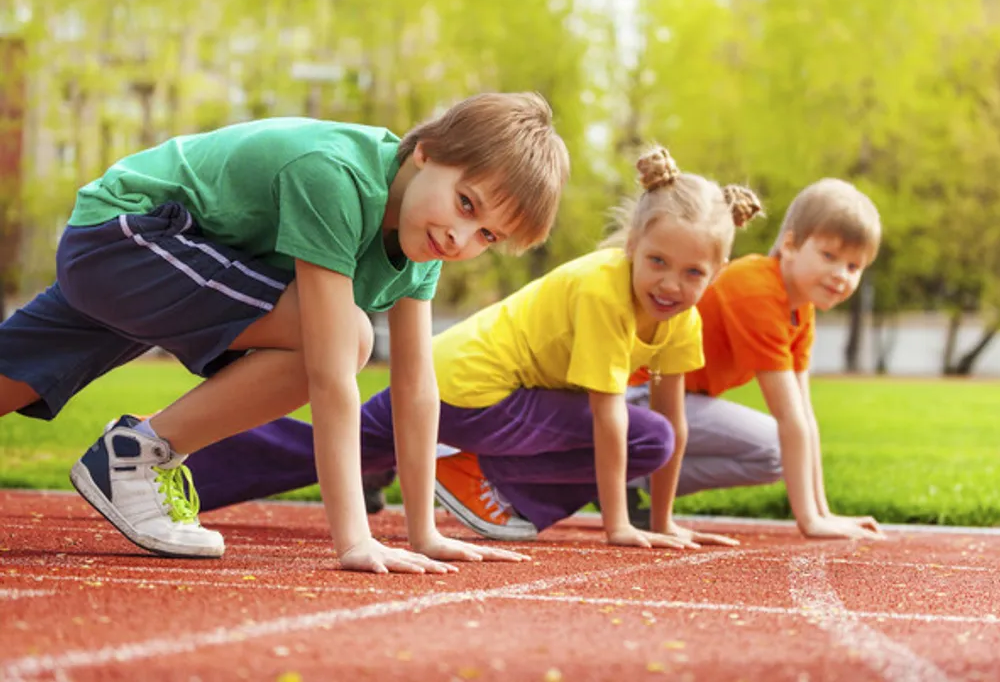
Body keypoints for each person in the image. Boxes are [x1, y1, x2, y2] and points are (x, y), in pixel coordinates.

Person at [0, 92, 569, 572]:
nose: (460, 238)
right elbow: (327, 369)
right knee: (347, 338)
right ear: (426, 154)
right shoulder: (336, 176)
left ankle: (135, 453)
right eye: (466, 203)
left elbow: (416, 388)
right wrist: (354, 540)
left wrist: (423, 532)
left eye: (487, 236)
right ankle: (136, 454)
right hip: (128, 236)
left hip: (153, 261)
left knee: (13, 377)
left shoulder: (423, 243)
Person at [181, 146, 762, 550]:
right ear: (634, 244)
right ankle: (480, 483)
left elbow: (677, 420)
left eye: (692, 273)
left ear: (718, 271)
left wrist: (665, 521)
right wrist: (619, 527)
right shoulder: (602, 291)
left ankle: (177, 477)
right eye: (657, 261)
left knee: (333, 446)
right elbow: (611, 420)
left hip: (456, 382)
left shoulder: (679, 314)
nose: (670, 283)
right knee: (645, 437)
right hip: (474, 391)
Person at [621, 178, 886, 539]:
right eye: (829, 256)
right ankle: (608, 465)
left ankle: (633, 479)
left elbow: (806, 414)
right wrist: (809, 521)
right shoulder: (756, 290)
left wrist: (826, 512)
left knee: (774, 454)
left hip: (679, 400)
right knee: (777, 443)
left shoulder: (799, 309)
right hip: (637, 394)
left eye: (854, 267)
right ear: (790, 244)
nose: (841, 275)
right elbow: (788, 418)